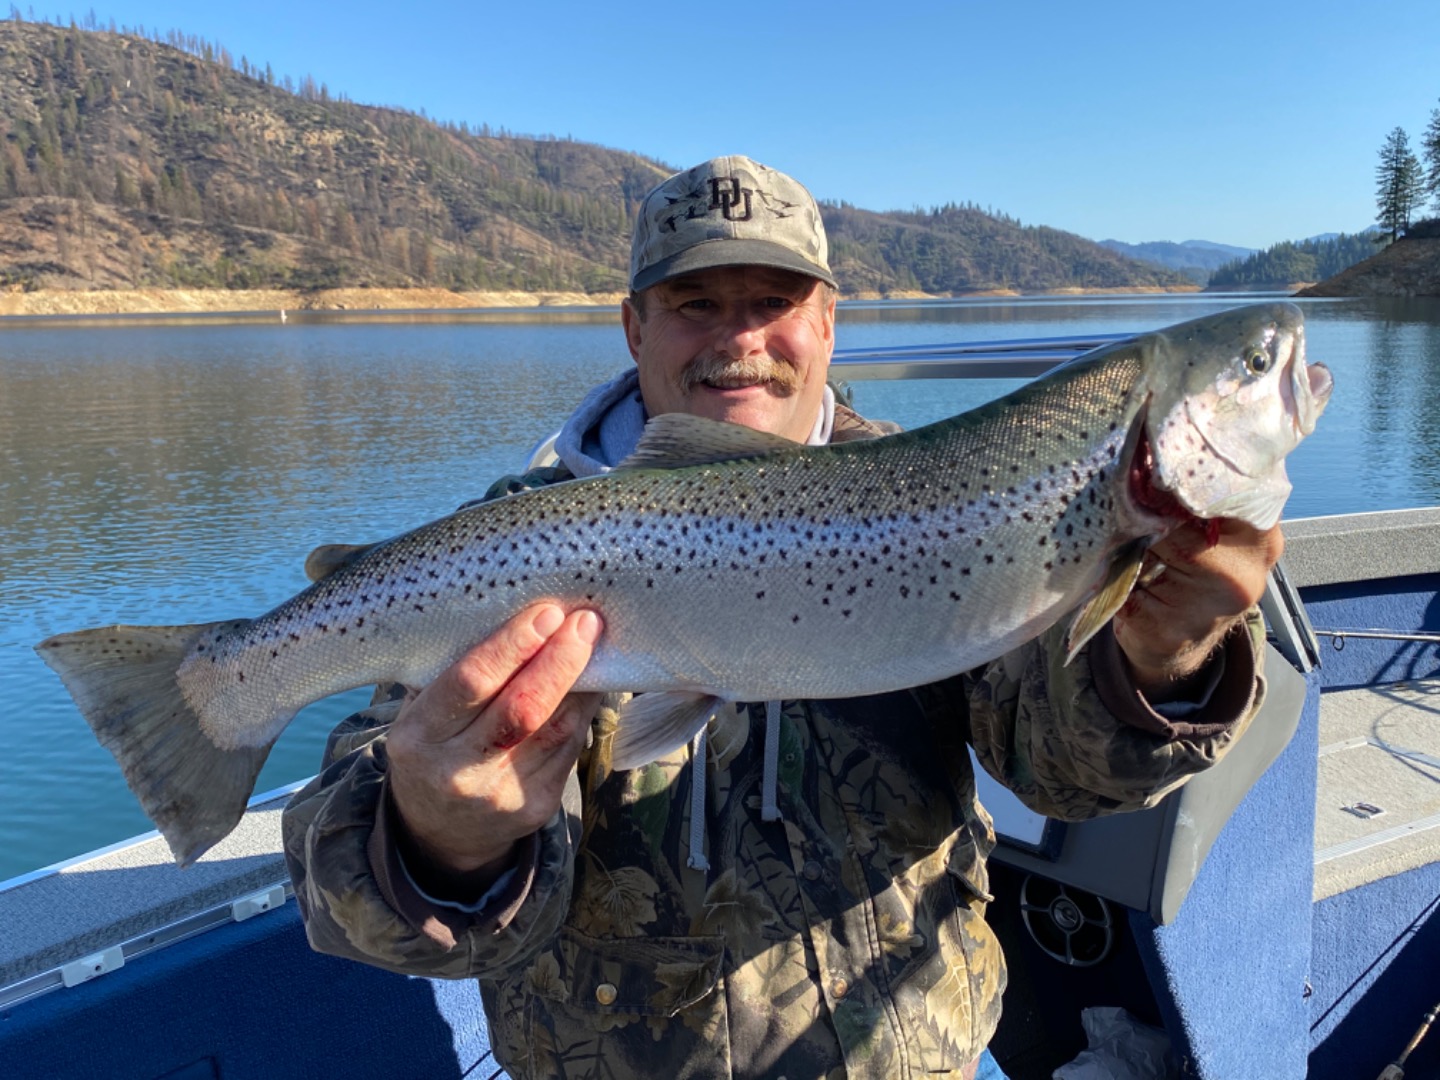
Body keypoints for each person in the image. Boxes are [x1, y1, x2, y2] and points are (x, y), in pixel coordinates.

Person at [282, 155, 1281, 1079]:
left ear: (829, 323)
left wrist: (1161, 659)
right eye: (696, 304)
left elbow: (1061, 770)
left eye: (773, 301)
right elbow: (349, 890)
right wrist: (438, 837)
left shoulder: (947, 497)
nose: (739, 338)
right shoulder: (510, 541)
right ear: (634, 328)